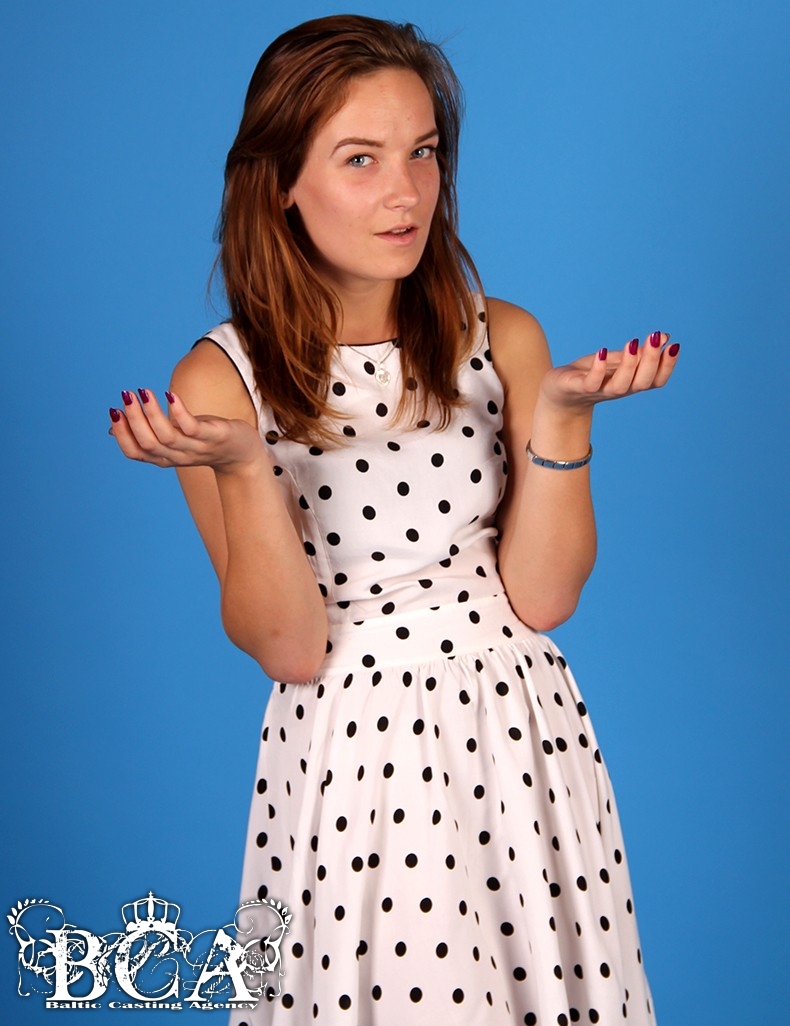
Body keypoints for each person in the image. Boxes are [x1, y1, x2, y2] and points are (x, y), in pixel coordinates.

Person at [109, 14, 678, 1024]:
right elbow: (290, 648)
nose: (407, 192)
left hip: (524, 738)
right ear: (280, 182)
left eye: (423, 152)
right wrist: (243, 467)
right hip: (358, 766)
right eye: (360, 158)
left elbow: (543, 599)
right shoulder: (220, 381)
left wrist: (561, 416)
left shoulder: (503, 337)